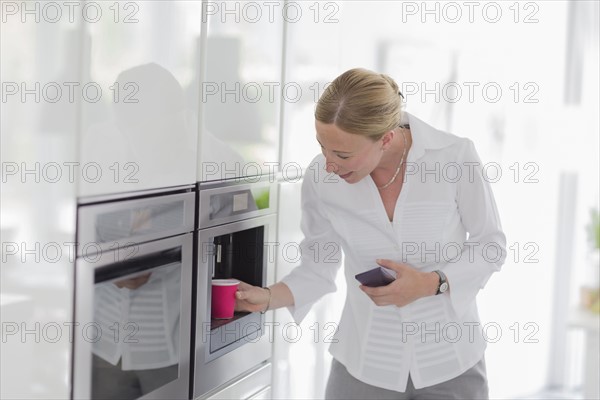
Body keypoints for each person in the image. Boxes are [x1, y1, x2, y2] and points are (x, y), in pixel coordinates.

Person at [235, 68, 506, 399]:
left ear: (386, 138)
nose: (329, 164)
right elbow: (317, 268)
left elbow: (491, 245)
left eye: (343, 154)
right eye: (323, 147)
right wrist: (267, 297)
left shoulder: (454, 158)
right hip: (363, 366)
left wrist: (431, 283)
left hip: (450, 363)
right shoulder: (321, 180)